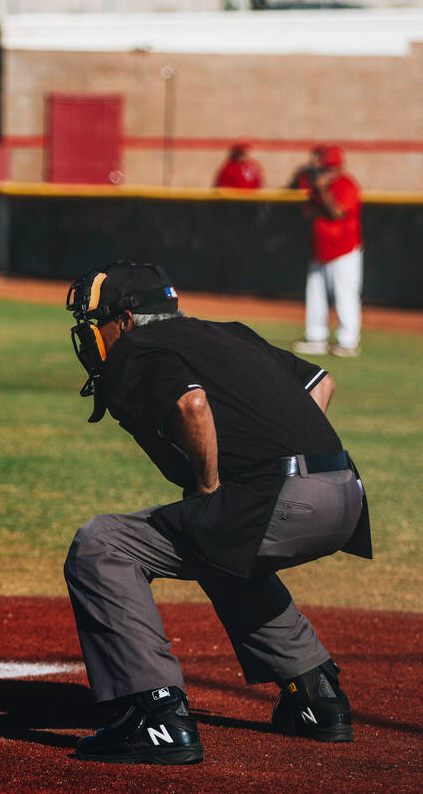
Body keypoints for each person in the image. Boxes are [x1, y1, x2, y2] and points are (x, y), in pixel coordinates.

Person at [62, 261, 371, 765]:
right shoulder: (227, 332)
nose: (93, 335)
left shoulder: (137, 348)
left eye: (98, 322)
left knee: (102, 544)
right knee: (219, 544)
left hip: (280, 499)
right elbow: (322, 381)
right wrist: (292, 455)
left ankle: (156, 715)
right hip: (345, 493)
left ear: (128, 319)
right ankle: (317, 696)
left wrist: (210, 486)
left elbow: (192, 405)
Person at [291, 145, 363, 357]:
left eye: (326, 168)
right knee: (315, 296)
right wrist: (317, 190)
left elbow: (337, 213)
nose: (322, 172)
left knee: (345, 295)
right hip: (320, 249)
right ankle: (316, 338)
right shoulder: (317, 186)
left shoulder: (346, 185)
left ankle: (348, 341)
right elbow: (306, 212)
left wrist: (322, 190)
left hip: (344, 250)